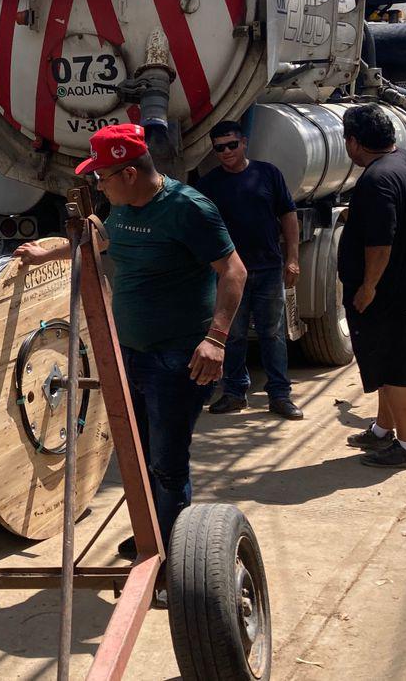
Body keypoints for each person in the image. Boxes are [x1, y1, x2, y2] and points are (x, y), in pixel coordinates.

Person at [16, 124, 246, 558]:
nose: (97, 184)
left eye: (101, 176)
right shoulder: (122, 207)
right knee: (136, 455)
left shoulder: (188, 209)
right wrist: (46, 253)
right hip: (131, 355)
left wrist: (216, 340)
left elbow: (234, 271)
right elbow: (100, 239)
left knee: (166, 462)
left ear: (128, 174)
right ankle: (151, 534)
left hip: (177, 358)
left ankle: (174, 559)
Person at [338, 105, 406, 469]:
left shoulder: (376, 179)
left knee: (396, 371)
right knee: (384, 364)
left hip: (390, 296)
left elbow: (380, 244)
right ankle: (383, 429)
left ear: (354, 142)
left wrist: (368, 287)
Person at [193, 120, 303, 419]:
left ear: (244, 143)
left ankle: (280, 395)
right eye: (219, 148)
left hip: (268, 268)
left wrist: (292, 258)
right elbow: (197, 228)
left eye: (231, 145)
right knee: (233, 335)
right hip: (229, 275)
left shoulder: (268, 174)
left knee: (272, 334)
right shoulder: (209, 186)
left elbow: (288, 216)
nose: (226, 152)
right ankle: (234, 393)